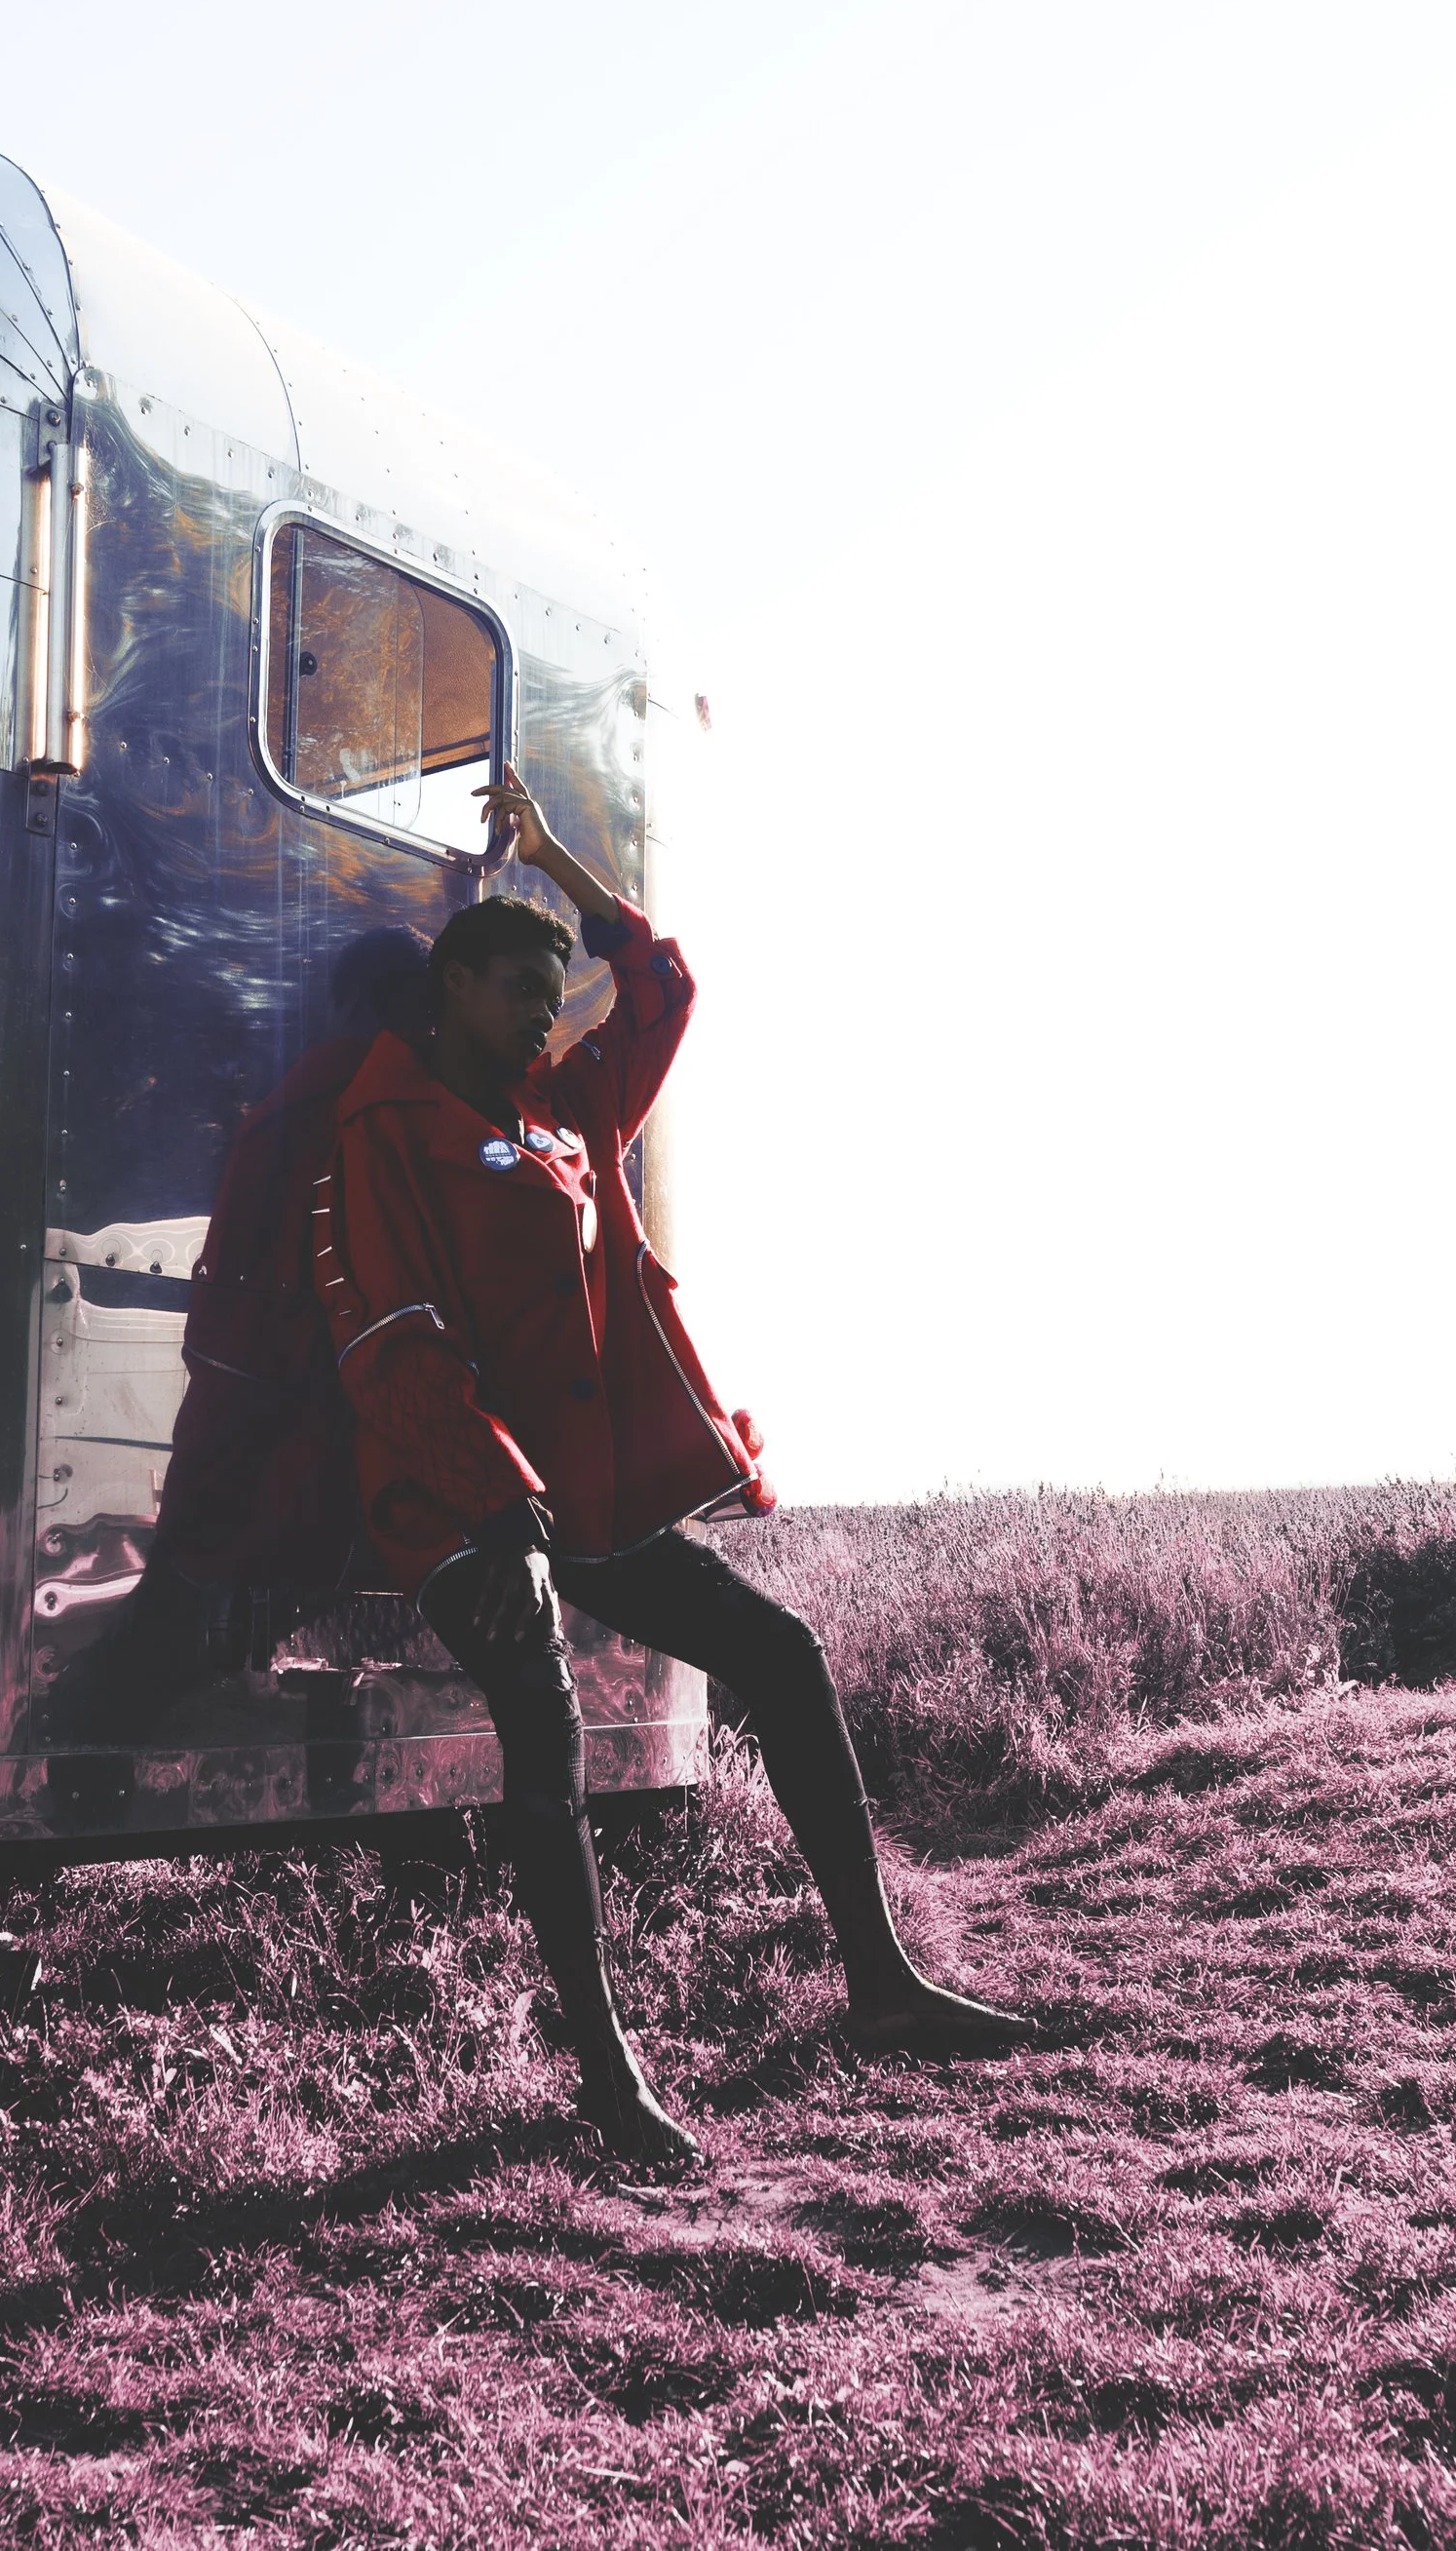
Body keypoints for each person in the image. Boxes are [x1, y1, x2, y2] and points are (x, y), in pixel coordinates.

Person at [318, 767, 1034, 2167]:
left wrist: (558, 863)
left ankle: (882, 1985)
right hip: (455, 1496)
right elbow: (393, 1332)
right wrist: (498, 1495)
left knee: (783, 1653)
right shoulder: (384, 1122)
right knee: (549, 1724)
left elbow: (662, 990)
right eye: (521, 987)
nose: (546, 1011)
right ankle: (608, 2077)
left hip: (578, 1496)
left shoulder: (569, 1113)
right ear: (451, 990)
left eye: (552, 990)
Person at [51, 926, 431, 1749]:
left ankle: (82, 1753)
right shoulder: (412, 1110)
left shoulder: (293, 1108)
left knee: (191, 1604)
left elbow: (240, 1304)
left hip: (267, 1414)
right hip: (350, 1427)